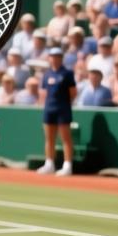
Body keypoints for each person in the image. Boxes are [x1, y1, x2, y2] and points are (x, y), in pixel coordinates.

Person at [37, 48, 76, 176]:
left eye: (58, 56)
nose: (55, 58)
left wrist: (64, 104)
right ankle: (49, 164)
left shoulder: (67, 73)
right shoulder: (47, 74)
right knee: (49, 138)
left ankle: (67, 165)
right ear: (49, 58)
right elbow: (44, 93)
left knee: (66, 138)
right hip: (49, 109)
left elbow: (73, 93)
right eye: (52, 56)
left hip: (63, 109)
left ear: (61, 58)